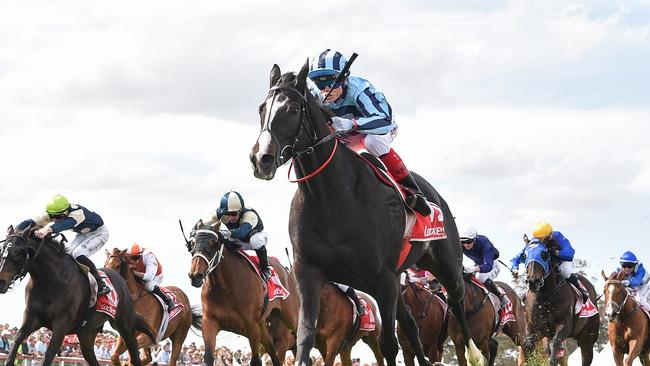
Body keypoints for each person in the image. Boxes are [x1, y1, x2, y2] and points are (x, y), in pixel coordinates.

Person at [307, 49, 431, 216]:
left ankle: (413, 191)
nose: (326, 89)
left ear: (344, 79)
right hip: (347, 135)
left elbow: (384, 121)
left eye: (332, 82)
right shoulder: (317, 96)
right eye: (320, 84)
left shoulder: (360, 89)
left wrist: (351, 124)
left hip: (379, 128)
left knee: (373, 142)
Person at [16, 194, 111, 295]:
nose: (55, 219)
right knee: (68, 254)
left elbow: (64, 225)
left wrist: (46, 229)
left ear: (66, 212)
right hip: (82, 234)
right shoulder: (54, 213)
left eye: (59, 217)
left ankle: (101, 284)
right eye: (52, 217)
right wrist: (16, 230)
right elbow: (32, 222)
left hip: (99, 233)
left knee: (79, 254)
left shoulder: (78, 214)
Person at [196, 191, 272, 280]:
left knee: (256, 240)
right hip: (238, 241)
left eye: (234, 214)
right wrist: (194, 232)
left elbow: (242, 232)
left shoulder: (249, 215)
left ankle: (265, 268)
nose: (230, 217)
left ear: (240, 211)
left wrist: (225, 233)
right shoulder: (219, 213)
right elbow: (202, 224)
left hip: (255, 238)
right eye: (227, 214)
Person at [510, 221, 589, 302]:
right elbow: (516, 258)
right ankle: (526, 293)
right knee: (532, 273)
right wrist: (514, 268)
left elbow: (570, 254)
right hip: (544, 265)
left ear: (549, 235)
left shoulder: (558, 236)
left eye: (542, 238)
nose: (540, 240)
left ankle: (580, 290)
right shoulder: (534, 243)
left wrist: (556, 253)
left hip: (559, 261)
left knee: (566, 271)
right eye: (538, 238)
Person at [460, 226, 507, 308]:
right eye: (463, 242)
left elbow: (488, 266)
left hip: (492, 265)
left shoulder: (485, 244)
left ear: (474, 239)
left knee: (480, 277)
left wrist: (474, 268)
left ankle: (500, 297)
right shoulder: (462, 244)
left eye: (468, 242)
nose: (465, 245)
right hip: (478, 265)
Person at [126, 243, 175, 312]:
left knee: (149, 286)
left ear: (141, 256)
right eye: (130, 258)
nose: (131, 261)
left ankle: (167, 299)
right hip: (141, 274)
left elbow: (148, 277)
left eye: (135, 258)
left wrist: (134, 272)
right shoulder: (127, 255)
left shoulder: (149, 257)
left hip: (156, 276)